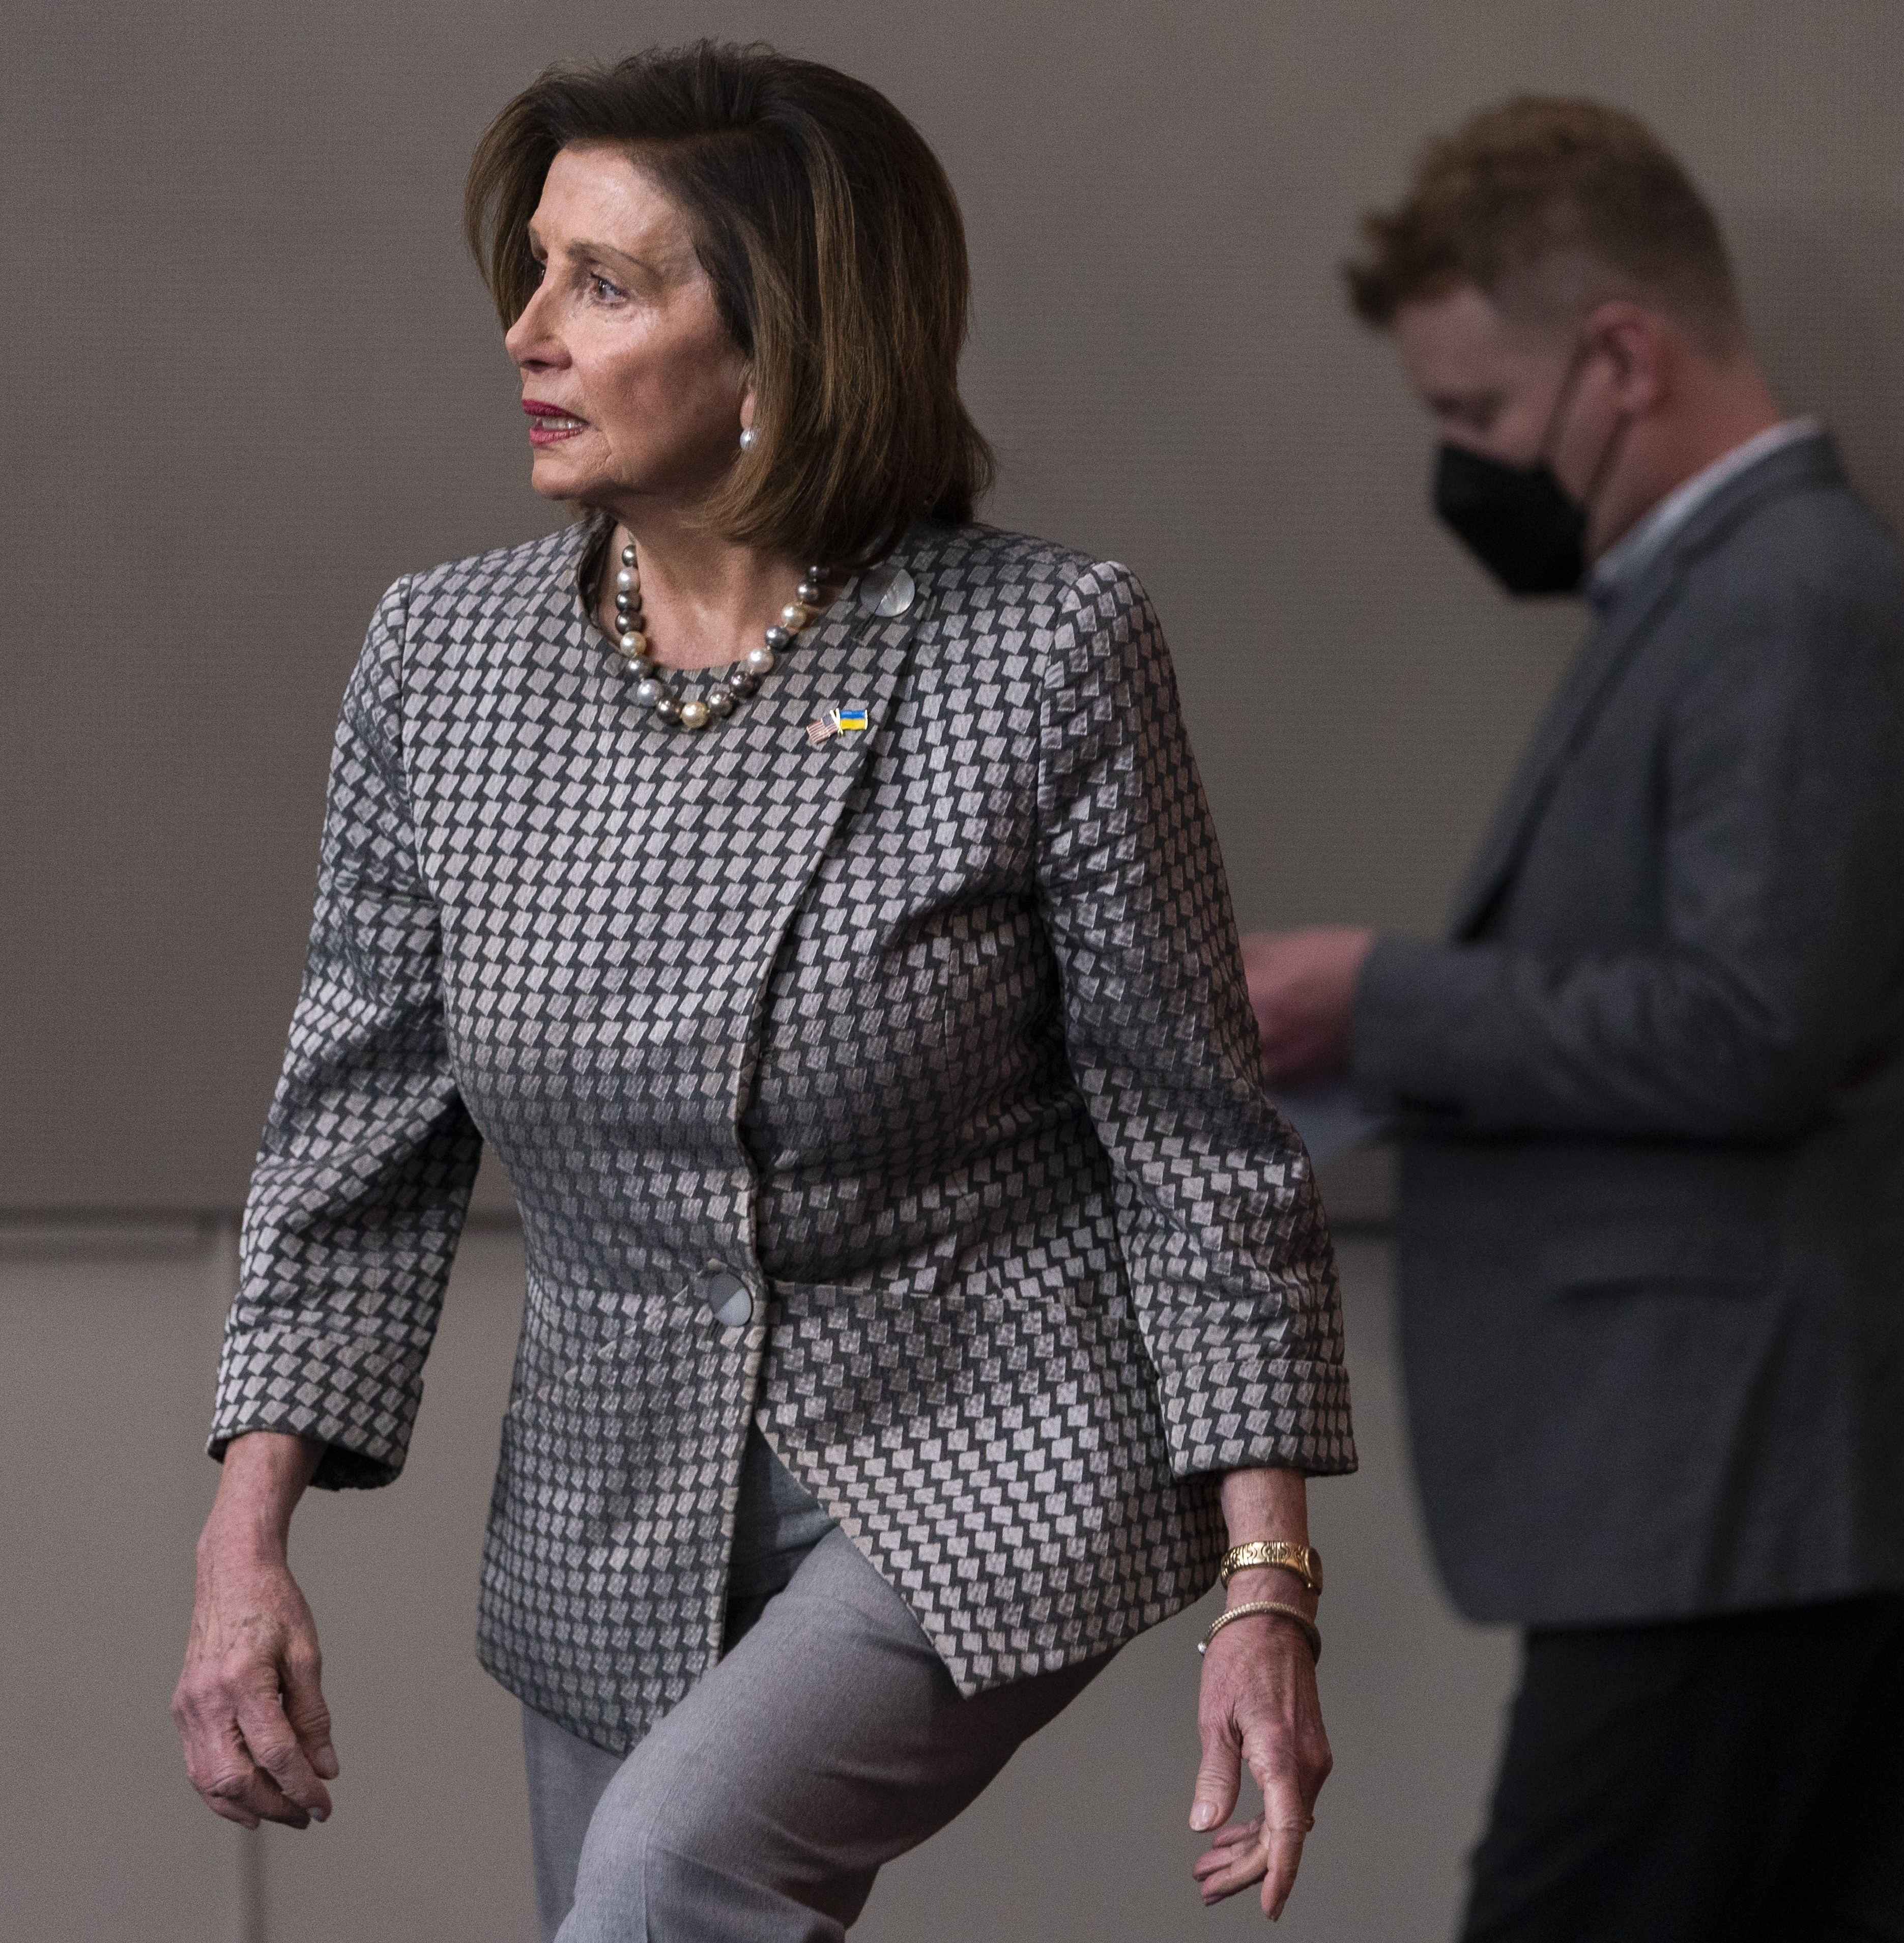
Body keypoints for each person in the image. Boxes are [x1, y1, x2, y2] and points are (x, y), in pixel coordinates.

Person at [170, 43, 1354, 1940]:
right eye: (534, 268)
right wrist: (246, 1541)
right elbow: (353, 1138)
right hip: (607, 1492)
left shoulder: (1047, 647)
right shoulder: (440, 659)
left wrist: (1267, 1587)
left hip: (983, 1439)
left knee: (670, 1870)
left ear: (785, 349)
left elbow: (1196, 1147)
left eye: (607, 284)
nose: (525, 332)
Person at [1244, 98, 1904, 1942]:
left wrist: (1374, 993)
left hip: (1741, 1501)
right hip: (1755, 1502)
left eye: (1472, 416)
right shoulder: (1716, 594)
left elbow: (1750, 1028)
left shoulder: (1793, 599)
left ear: (1620, 356)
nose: (1464, 468)